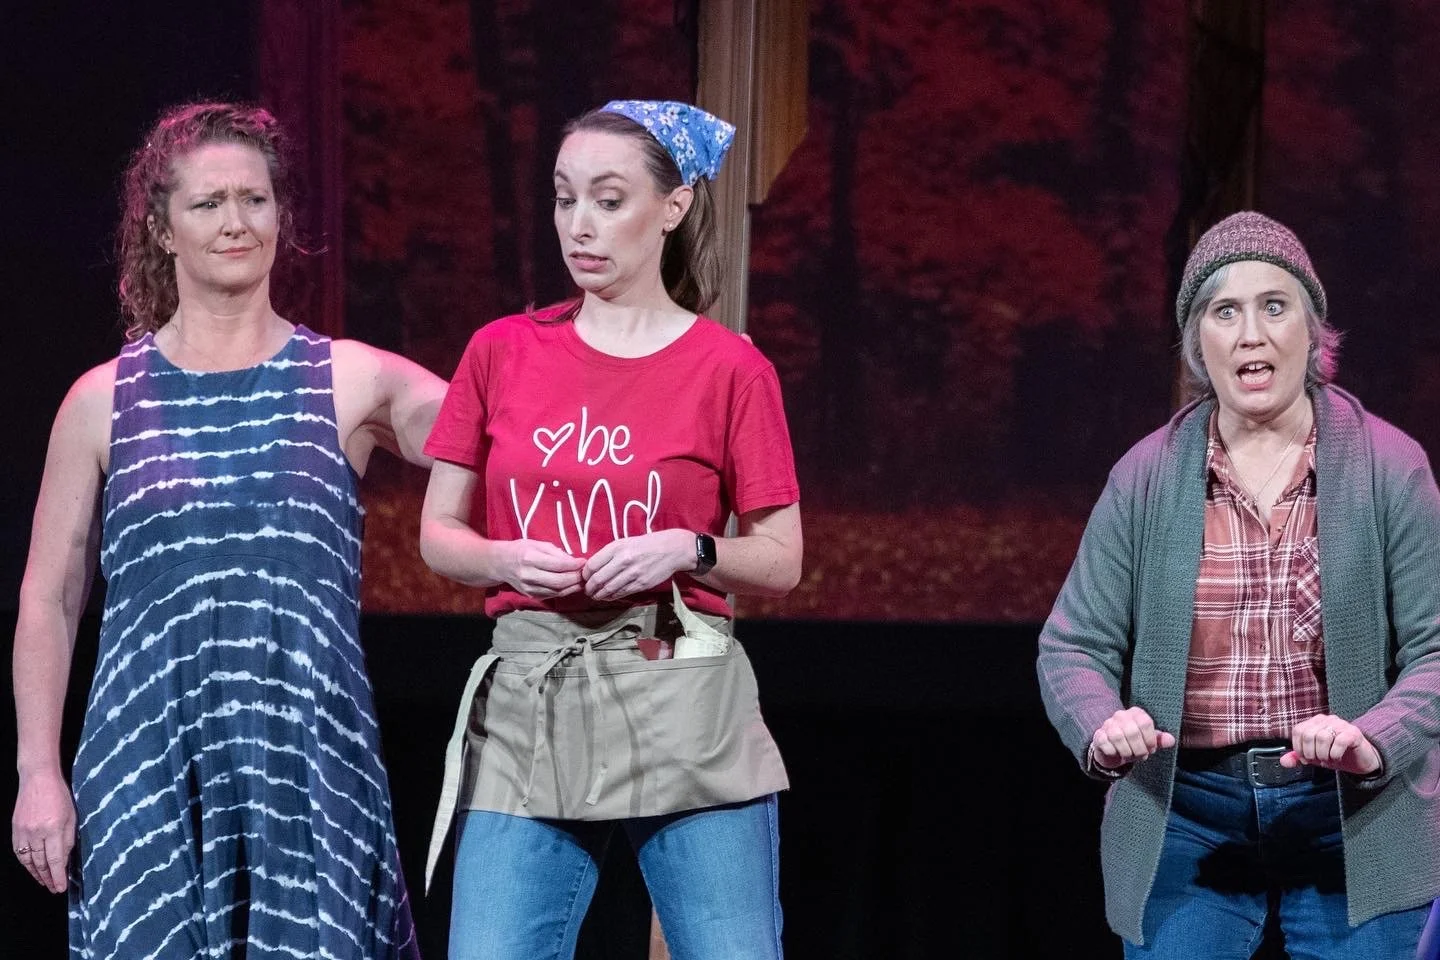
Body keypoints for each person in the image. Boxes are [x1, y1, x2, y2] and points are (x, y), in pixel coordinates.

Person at [11, 102, 444, 958]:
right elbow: (49, 599)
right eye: (208, 204)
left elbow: (504, 433)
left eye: (255, 200)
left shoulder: (350, 380)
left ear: (282, 215)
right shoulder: (102, 400)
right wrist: (37, 773)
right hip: (148, 766)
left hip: (309, 764)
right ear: (163, 229)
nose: (236, 222)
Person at [419, 100, 802, 960]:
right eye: (564, 199)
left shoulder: (729, 367)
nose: (579, 226)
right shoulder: (501, 350)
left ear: (673, 207)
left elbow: (781, 560)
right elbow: (438, 531)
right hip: (533, 696)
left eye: (608, 199)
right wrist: (502, 554)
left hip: (680, 693)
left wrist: (689, 548)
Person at [1036, 211, 1440, 957]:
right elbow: (1072, 647)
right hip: (1188, 812)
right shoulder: (1146, 476)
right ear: (1201, 344)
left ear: (1312, 335)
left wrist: (1371, 738)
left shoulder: (1391, 467)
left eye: (1273, 306)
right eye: (1225, 311)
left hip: (1354, 816)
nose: (1251, 332)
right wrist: (1102, 723)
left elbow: (1436, 650)